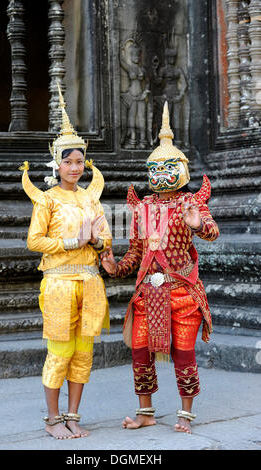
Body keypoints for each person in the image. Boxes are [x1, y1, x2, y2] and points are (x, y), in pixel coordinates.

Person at [101, 102, 219, 434]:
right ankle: (146, 412)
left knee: (184, 354)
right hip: (147, 294)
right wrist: (113, 266)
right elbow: (135, 254)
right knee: (140, 352)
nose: (161, 174)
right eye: (156, 167)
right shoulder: (142, 207)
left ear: (181, 168)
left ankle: (186, 414)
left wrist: (198, 225)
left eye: (169, 167)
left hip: (181, 291)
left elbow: (212, 233)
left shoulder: (192, 203)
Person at [19, 84, 112, 440]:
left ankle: (74, 414)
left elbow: (105, 239)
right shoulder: (47, 201)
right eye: (68, 162)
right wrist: (75, 239)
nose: (74, 168)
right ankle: (53, 418)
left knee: (83, 353)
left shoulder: (91, 199)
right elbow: (34, 241)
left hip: (89, 282)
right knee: (59, 352)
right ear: (56, 164)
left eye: (79, 162)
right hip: (58, 283)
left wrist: (99, 241)